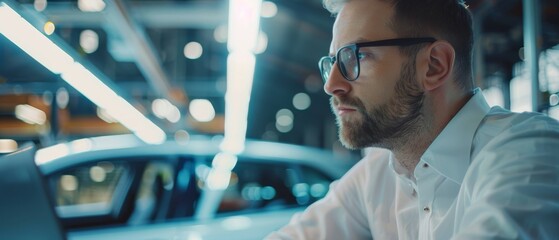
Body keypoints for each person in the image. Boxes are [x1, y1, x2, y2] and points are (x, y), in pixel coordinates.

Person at [266, 0, 559, 239]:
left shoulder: (530, 153)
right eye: (333, 62)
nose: (332, 84)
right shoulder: (378, 172)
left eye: (356, 56)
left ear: (433, 66)